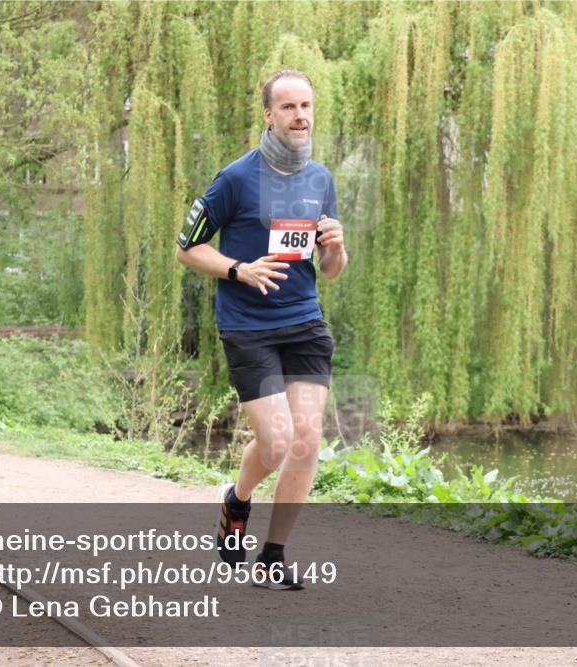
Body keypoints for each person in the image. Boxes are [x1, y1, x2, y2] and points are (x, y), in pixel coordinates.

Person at [175, 69, 347, 590]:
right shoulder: (236, 178)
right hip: (248, 327)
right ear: (268, 116)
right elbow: (186, 248)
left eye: (307, 106)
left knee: (307, 440)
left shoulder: (320, 179)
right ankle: (237, 499)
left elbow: (331, 270)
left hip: (304, 324)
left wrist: (336, 248)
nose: (301, 116)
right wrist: (238, 269)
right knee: (274, 444)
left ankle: (273, 557)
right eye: (289, 107)